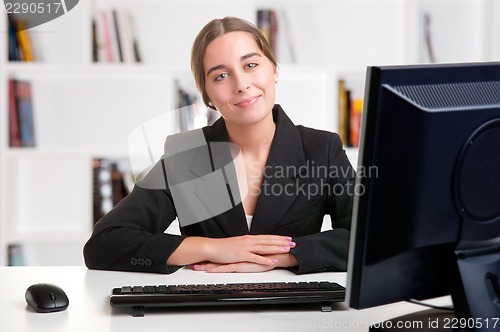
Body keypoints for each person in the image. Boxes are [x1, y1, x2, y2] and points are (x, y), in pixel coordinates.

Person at [83, 17, 355, 274]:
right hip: (209, 310)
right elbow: (104, 244)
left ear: (274, 70)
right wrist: (214, 248)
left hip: (299, 312)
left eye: (250, 65)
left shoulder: (322, 149)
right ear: (208, 96)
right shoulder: (186, 155)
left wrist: (279, 259)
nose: (241, 85)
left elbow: (372, 238)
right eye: (221, 76)